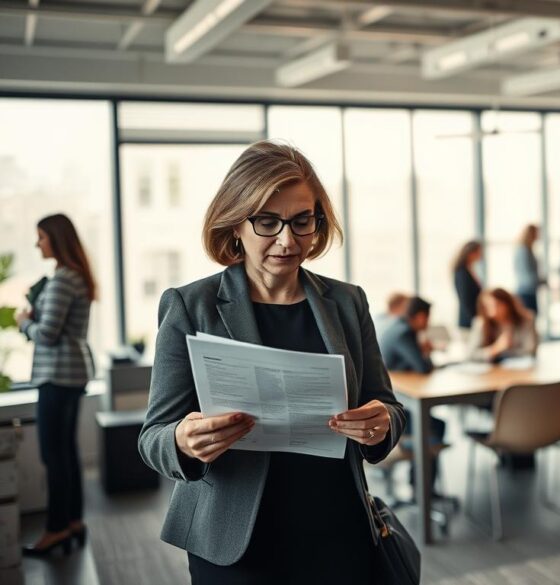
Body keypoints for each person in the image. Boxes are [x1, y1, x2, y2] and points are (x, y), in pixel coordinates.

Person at [137, 141, 406, 583]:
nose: (288, 239)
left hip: (338, 531)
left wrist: (382, 423)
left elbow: (386, 405)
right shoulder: (191, 306)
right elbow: (153, 436)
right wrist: (183, 441)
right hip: (237, 544)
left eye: (303, 221)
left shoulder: (346, 301)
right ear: (236, 223)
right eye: (268, 221)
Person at [15, 214, 96, 557]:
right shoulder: (75, 276)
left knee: (53, 455)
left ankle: (56, 529)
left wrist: (24, 324)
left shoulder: (63, 279)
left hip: (57, 376)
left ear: (57, 239)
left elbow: (47, 334)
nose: (38, 244)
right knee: (66, 453)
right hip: (72, 374)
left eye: (42, 237)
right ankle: (73, 522)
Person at [378, 296, 447, 491]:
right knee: (435, 425)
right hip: (395, 412)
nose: (428, 324)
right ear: (420, 316)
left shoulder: (395, 326)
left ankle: (418, 482)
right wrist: (426, 351)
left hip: (390, 402)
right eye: (428, 318)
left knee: (433, 423)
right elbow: (423, 367)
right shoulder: (404, 332)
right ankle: (423, 489)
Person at [468, 288, 538, 363]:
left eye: (496, 304)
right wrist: (495, 349)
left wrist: (505, 352)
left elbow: (530, 351)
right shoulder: (480, 324)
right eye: (487, 306)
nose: (492, 309)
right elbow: (470, 354)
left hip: (520, 371)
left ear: (507, 304)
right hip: (490, 371)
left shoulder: (526, 320)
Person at [453, 240, 483, 331]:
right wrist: (476, 319)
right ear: (471, 253)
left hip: (473, 317)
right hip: (468, 320)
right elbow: (465, 299)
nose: (481, 255)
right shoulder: (462, 273)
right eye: (479, 252)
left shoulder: (470, 270)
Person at [514, 224, 542, 314]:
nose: (539, 236)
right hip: (526, 291)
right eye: (537, 233)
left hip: (529, 290)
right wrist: (542, 281)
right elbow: (527, 275)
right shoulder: (523, 251)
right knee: (530, 319)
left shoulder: (527, 250)